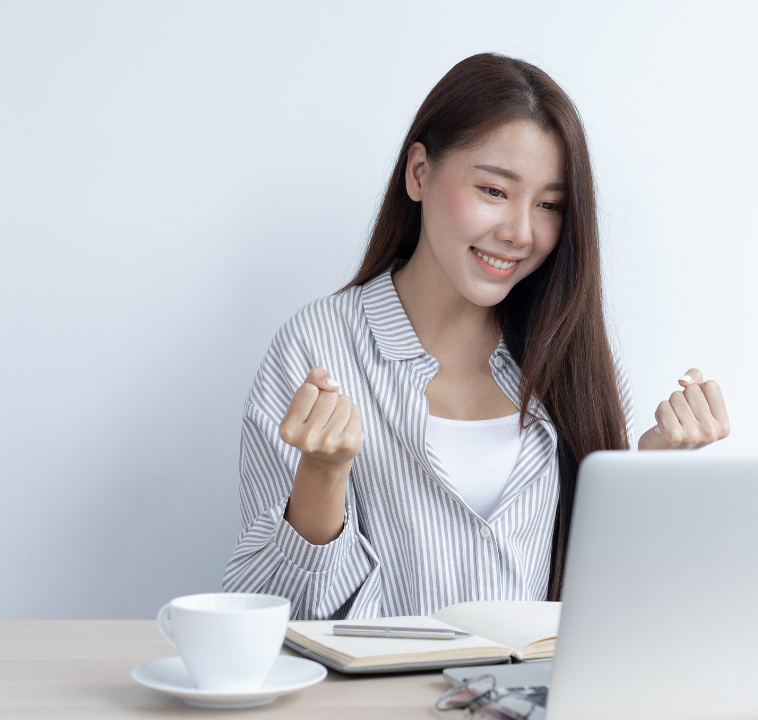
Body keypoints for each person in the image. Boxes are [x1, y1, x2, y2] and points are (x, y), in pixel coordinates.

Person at [223, 54, 730, 620]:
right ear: (419, 173)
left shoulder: (569, 355)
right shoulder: (315, 349)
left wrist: (647, 476)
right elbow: (275, 615)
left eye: (549, 205)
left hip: (533, 704)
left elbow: (613, 614)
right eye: (493, 190)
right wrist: (323, 474)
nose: (519, 232)